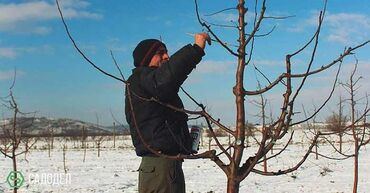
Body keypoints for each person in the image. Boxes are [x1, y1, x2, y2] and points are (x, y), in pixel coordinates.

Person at [125, 32, 210, 193]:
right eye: (160, 53)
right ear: (146, 58)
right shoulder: (145, 79)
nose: (166, 56)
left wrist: (184, 142)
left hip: (159, 167)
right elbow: (167, 78)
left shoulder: (144, 84)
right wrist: (196, 49)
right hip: (162, 167)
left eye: (166, 52)